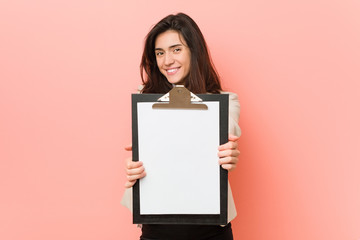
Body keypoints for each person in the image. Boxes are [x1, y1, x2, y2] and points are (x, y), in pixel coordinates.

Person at [121, 13, 241, 240]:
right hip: (156, 228)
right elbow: (156, 155)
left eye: (176, 49)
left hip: (211, 230)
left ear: (194, 52)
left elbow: (226, 137)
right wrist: (134, 169)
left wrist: (229, 154)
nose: (167, 61)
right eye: (160, 53)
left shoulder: (226, 101)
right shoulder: (145, 99)